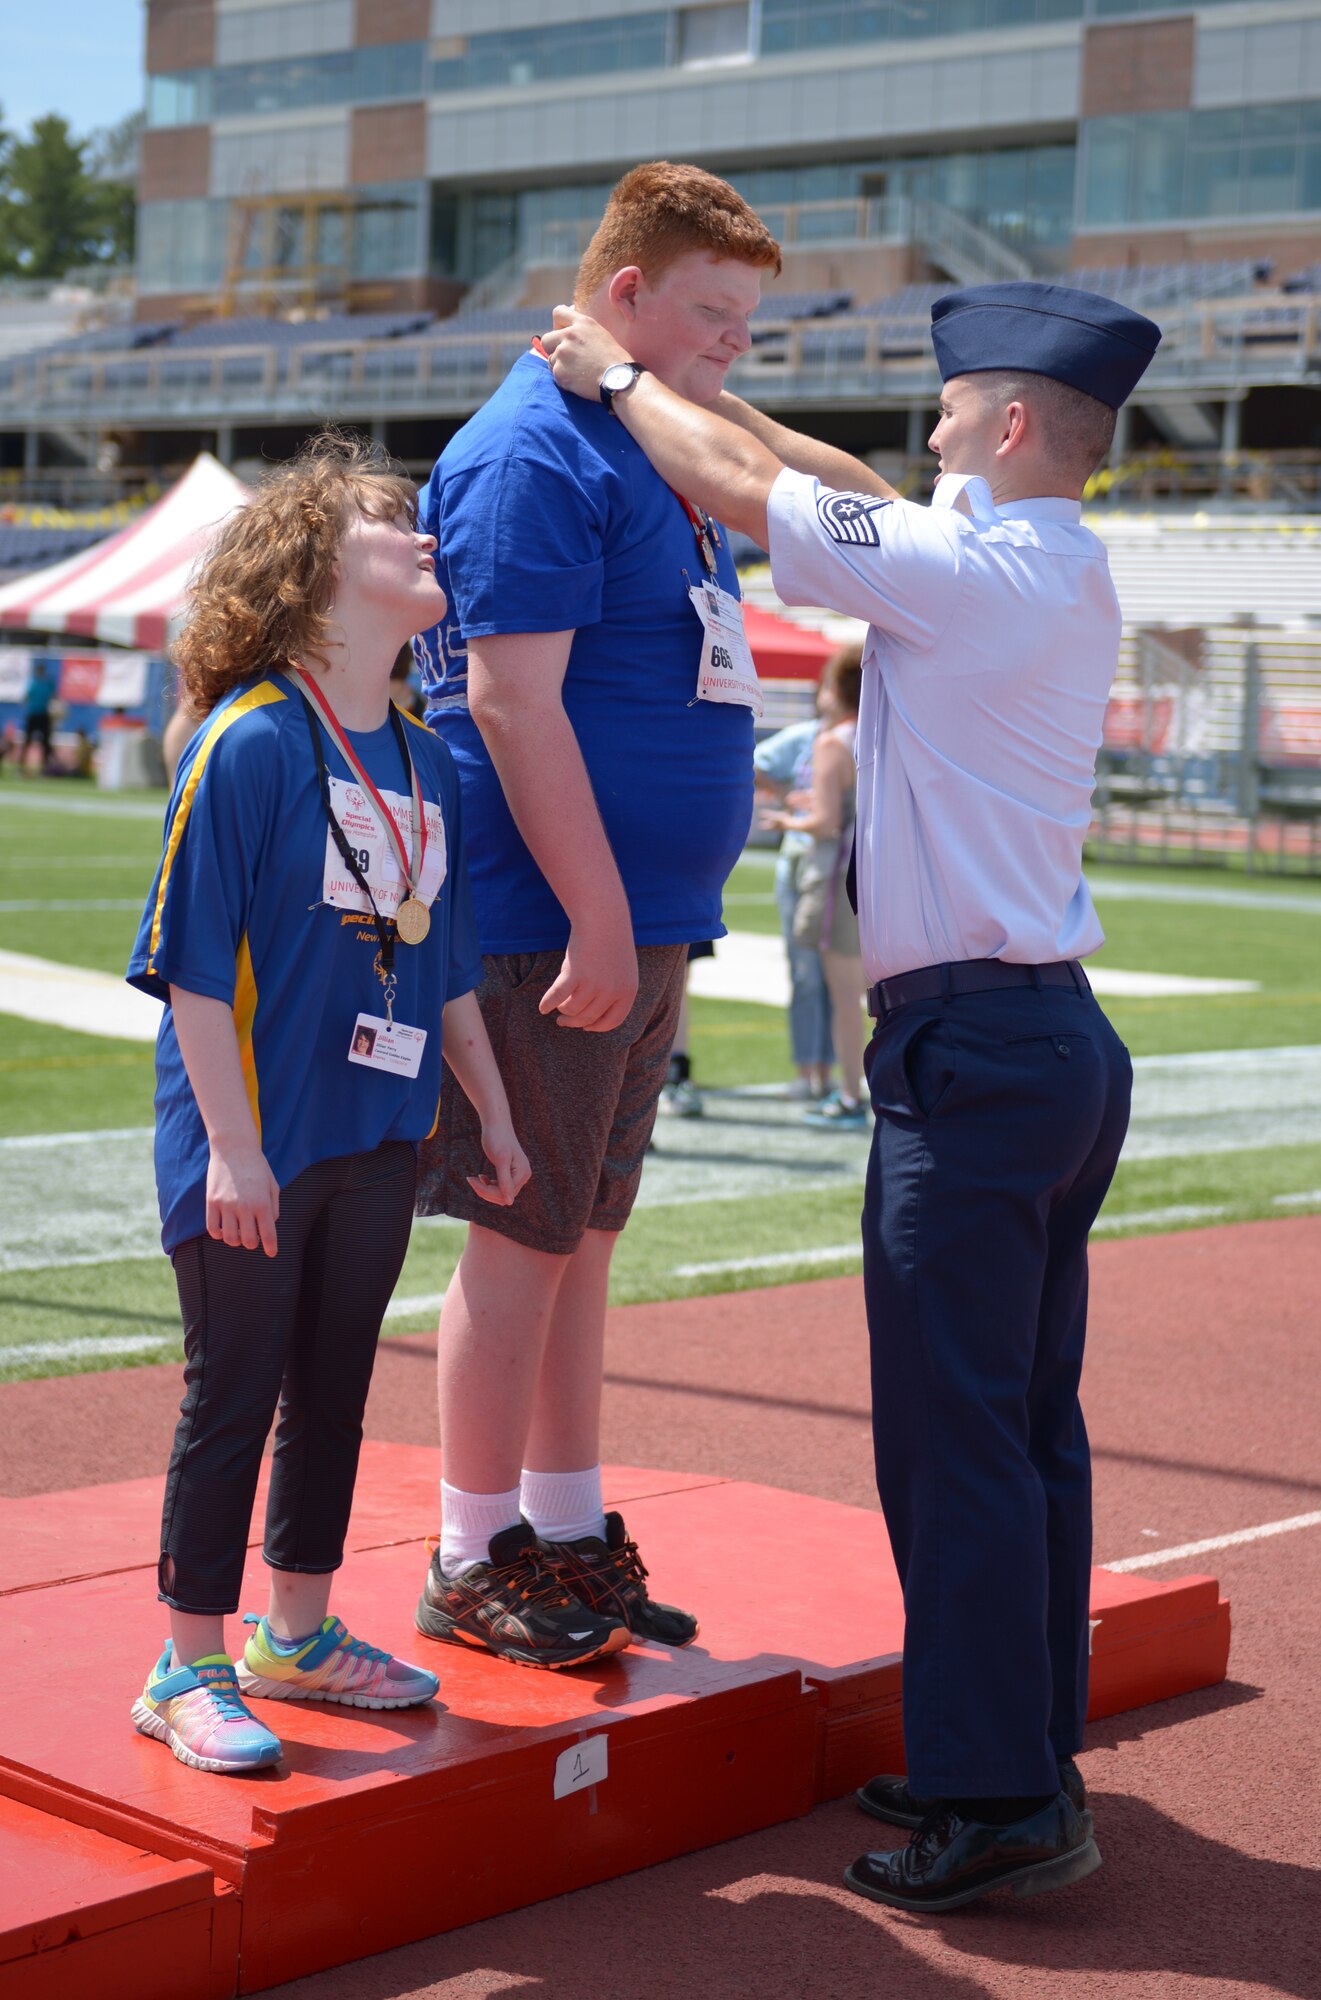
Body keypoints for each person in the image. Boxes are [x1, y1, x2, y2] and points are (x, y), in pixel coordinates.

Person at [543, 278, 1159, 1908]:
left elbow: (757, 493)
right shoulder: (1039, 558)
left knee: (955, 1442)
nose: (932, 420)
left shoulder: (965, 573)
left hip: (973, 1052)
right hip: (1045, 1044)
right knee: (1023, 1427)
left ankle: (998, 1801)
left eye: (956, 404)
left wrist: (616, 382)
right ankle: (1020, 1742)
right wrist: (710, 398)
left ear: (1013, 421)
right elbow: (829, 479)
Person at [408, 161, 847, 1670]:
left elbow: (830, 495)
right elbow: (511, 705)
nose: (736, 343)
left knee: (582, 1242)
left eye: (748, 320)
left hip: (643, 917)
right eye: (714, 314)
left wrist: (635, 916)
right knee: (520, 1238)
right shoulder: (537, 451)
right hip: (550, 918)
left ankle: (569, 1531)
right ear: (624, 296)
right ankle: (469, 1551)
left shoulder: (648, 441)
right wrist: (596, 916)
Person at [125, 433, 529, 1775]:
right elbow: (189, 970)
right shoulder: (248, 744)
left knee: (335, 1391)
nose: (420, 531)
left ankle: (293, 1635)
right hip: (256, 1142)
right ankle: (183, 1661)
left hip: (376, 1134)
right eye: (385, 520)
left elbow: (447, 960)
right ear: (310, 573)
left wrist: (496, 1115)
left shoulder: (428, 760)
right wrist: (232, 1154)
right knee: (232, 1391)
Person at [761, 644, 867, 1127]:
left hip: (834, 877)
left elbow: (824, 823)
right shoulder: (878, 733)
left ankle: (850, 1095)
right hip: (873, 874)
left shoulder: (832, 741)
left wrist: (788, 820)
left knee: (844, 997)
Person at [753, 714, 835, 1099]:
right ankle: (809, 1070)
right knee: (806, 975)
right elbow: (750, 760)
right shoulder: (807, 734)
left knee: (838, 977)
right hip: (801, 863)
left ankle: (833, 1073)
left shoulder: (856, 734)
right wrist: (788, 795)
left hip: (839, 864)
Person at [22, 658, 55, 770]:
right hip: (34, 714)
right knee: (28, 740)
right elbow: (26, 697)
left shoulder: (45, 683)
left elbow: (53, 697)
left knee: (45, 741)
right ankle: (22, 763)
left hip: (42, 713)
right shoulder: (34, 682)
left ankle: (45, 765)